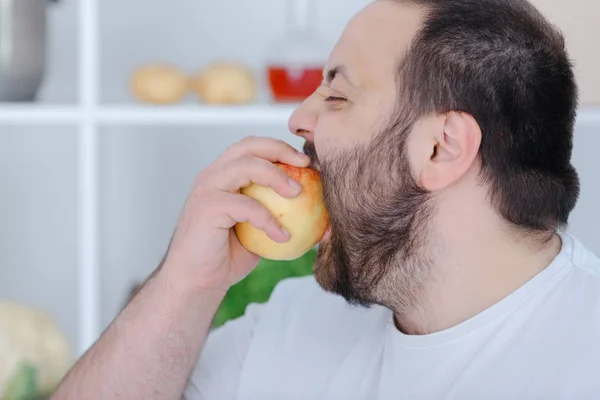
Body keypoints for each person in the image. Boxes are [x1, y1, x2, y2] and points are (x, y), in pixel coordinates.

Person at [52, 0, 600, 398]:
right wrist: (185, 284)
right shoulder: (290, 326)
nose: (298, 119)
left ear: (440, 148)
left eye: (336, 95)